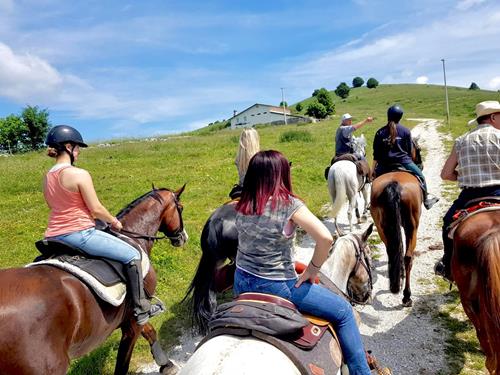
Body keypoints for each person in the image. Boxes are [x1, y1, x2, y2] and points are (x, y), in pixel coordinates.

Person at [233, 150, 371, 374]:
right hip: (277, 287)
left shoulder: (243, 204)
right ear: (282, 174)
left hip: (241, 282)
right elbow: (325, 238)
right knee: (344, 311)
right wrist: (312, 270)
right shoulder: (288, 204)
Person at [43, 125, 163, 325]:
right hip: (79, 233)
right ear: (68, 147)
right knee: (133, 255)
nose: (79, 152)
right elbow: (96, 209)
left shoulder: (47, 178)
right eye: (77, 147)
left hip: (53, 236)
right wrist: (114, 221)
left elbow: (52, 204)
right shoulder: (78, 174)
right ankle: (141, 308)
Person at [436, 100, 500, 280]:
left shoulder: (461, 140)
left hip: (469, 196)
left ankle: (448, 266)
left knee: (448, 222)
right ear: (493, 117)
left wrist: (463, 177)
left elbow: (446, 174)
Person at [372, 105, 439, 210]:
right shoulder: (406, 131)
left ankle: (371, 204)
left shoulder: (380, 132)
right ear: (400, 117)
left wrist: (373, 170)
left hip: (384, 165)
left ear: (388, 116)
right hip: (404, 162)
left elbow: (376, 155)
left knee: (374, 184)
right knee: (421, 177)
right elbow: (409, 151)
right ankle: (426, 199)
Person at [229, 127, 260, 199]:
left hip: (242, 190)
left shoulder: (239, 159)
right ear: (254, 140)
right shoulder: (259, 158)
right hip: (257, 191)